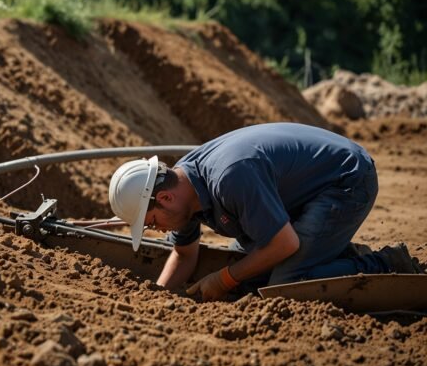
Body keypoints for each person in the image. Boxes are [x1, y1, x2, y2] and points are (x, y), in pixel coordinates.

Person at [108, 122, 423, 301]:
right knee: (250, 267)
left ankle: (385, 263)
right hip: (301, 193)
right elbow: (184, 253)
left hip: (345, 181)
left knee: (284, 286)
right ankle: (330, 252)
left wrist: (223, 279)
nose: (157, 230)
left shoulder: (230, 178)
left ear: (163, 198)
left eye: (151, 222)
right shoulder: (184, 188)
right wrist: (157, 297)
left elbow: (284, 245)